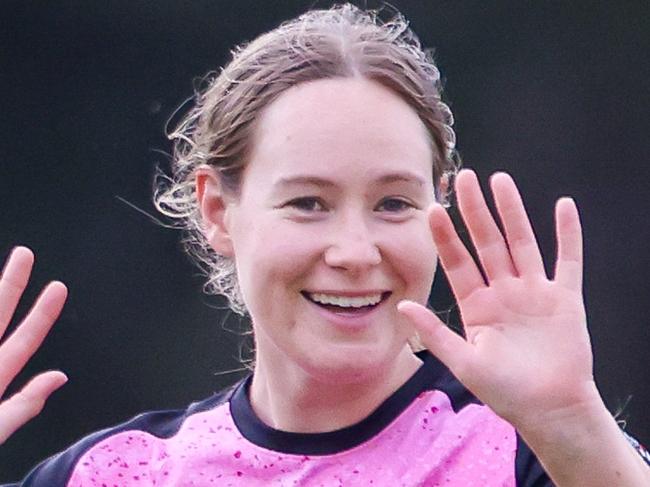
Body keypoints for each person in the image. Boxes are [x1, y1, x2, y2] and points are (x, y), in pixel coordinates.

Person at [1, 3, 648, 486]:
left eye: (393, 202)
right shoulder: (115, 473)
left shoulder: (531, 454)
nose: (355, 251)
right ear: (218, 211)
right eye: (308, 202)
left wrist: (572, 425)